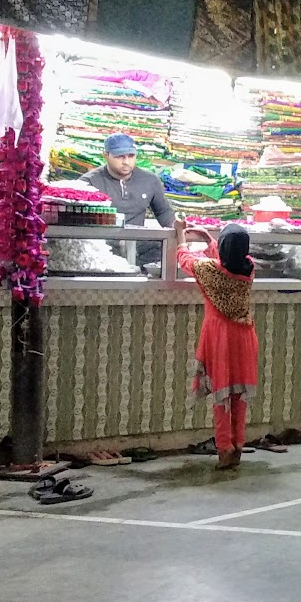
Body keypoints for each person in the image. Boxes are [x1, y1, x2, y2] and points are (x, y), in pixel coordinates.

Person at [176, 221, 259, 470]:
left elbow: (184, 259)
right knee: (238, 396)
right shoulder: (249, 266)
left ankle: (224, 448)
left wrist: (181, 235)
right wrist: (207, 237)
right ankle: (238, 446)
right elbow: (226, 257)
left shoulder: (209, 270)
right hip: (244, 336)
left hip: (219, 337)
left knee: (221, 395)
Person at [82, 133, 174, 227]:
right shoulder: (88, 183)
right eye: (119, 156)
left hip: (137, 240)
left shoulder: (150, 180)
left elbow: (164, 212)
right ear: (106, 155)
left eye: (131, 156)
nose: (126, 162)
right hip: (98, 239)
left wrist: (177, 233)